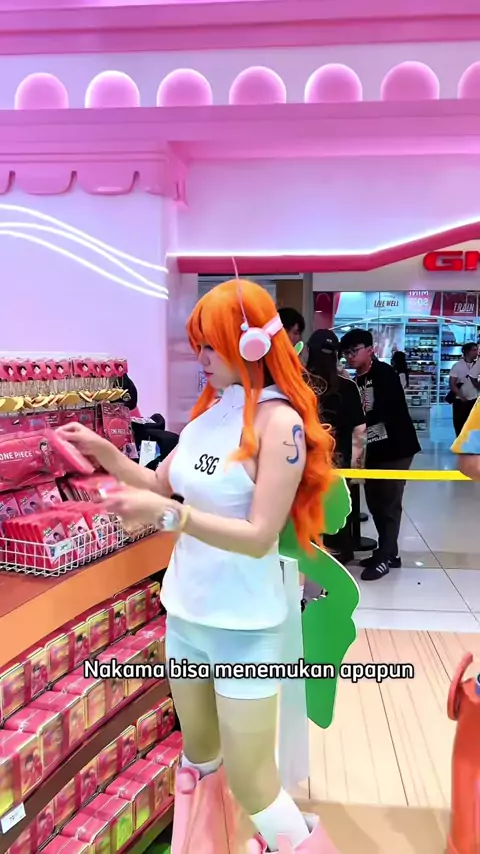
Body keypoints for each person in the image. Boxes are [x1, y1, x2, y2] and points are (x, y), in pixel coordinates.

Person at [56, 279, 336, 854]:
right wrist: (105, 453)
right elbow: (160, 482)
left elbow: (259, 536)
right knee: (198, 762)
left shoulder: (278, 424)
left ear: (251, 343)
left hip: (246, 631)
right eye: (198, 345)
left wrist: (171, 518)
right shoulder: (209, 414)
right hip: (186, 616)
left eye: (210, 344)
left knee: (255, 784)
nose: (200, 357)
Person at [339, 328, 421, 581]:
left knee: (389, 503)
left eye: (354, 351)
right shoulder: (357, 379)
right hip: (374, 451)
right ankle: (389, 552)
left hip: (395, 449)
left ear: (370, 350)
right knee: (375, 502)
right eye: (346, 353)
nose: (350, 356)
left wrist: (358, 439)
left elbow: (385, 419)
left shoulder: (384, 375)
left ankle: (385, 556)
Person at [305, 328, 366, 570]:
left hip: (303, 461)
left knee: (305, 508)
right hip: (339, 461)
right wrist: (357, 468)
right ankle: (340, 553)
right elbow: (359, 431)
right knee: (338, 507)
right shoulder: (347, 387)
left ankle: (308, 552)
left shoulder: (297, 384)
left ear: (308, 351)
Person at [449, 342, 478, 437]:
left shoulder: (478, 365)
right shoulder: (457, 366)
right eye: (474, 350)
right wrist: (461, 397)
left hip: (475, 399)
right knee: (460, 424)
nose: (476, 352)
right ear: (466, 351)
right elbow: (452, 384)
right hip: (460, 400)